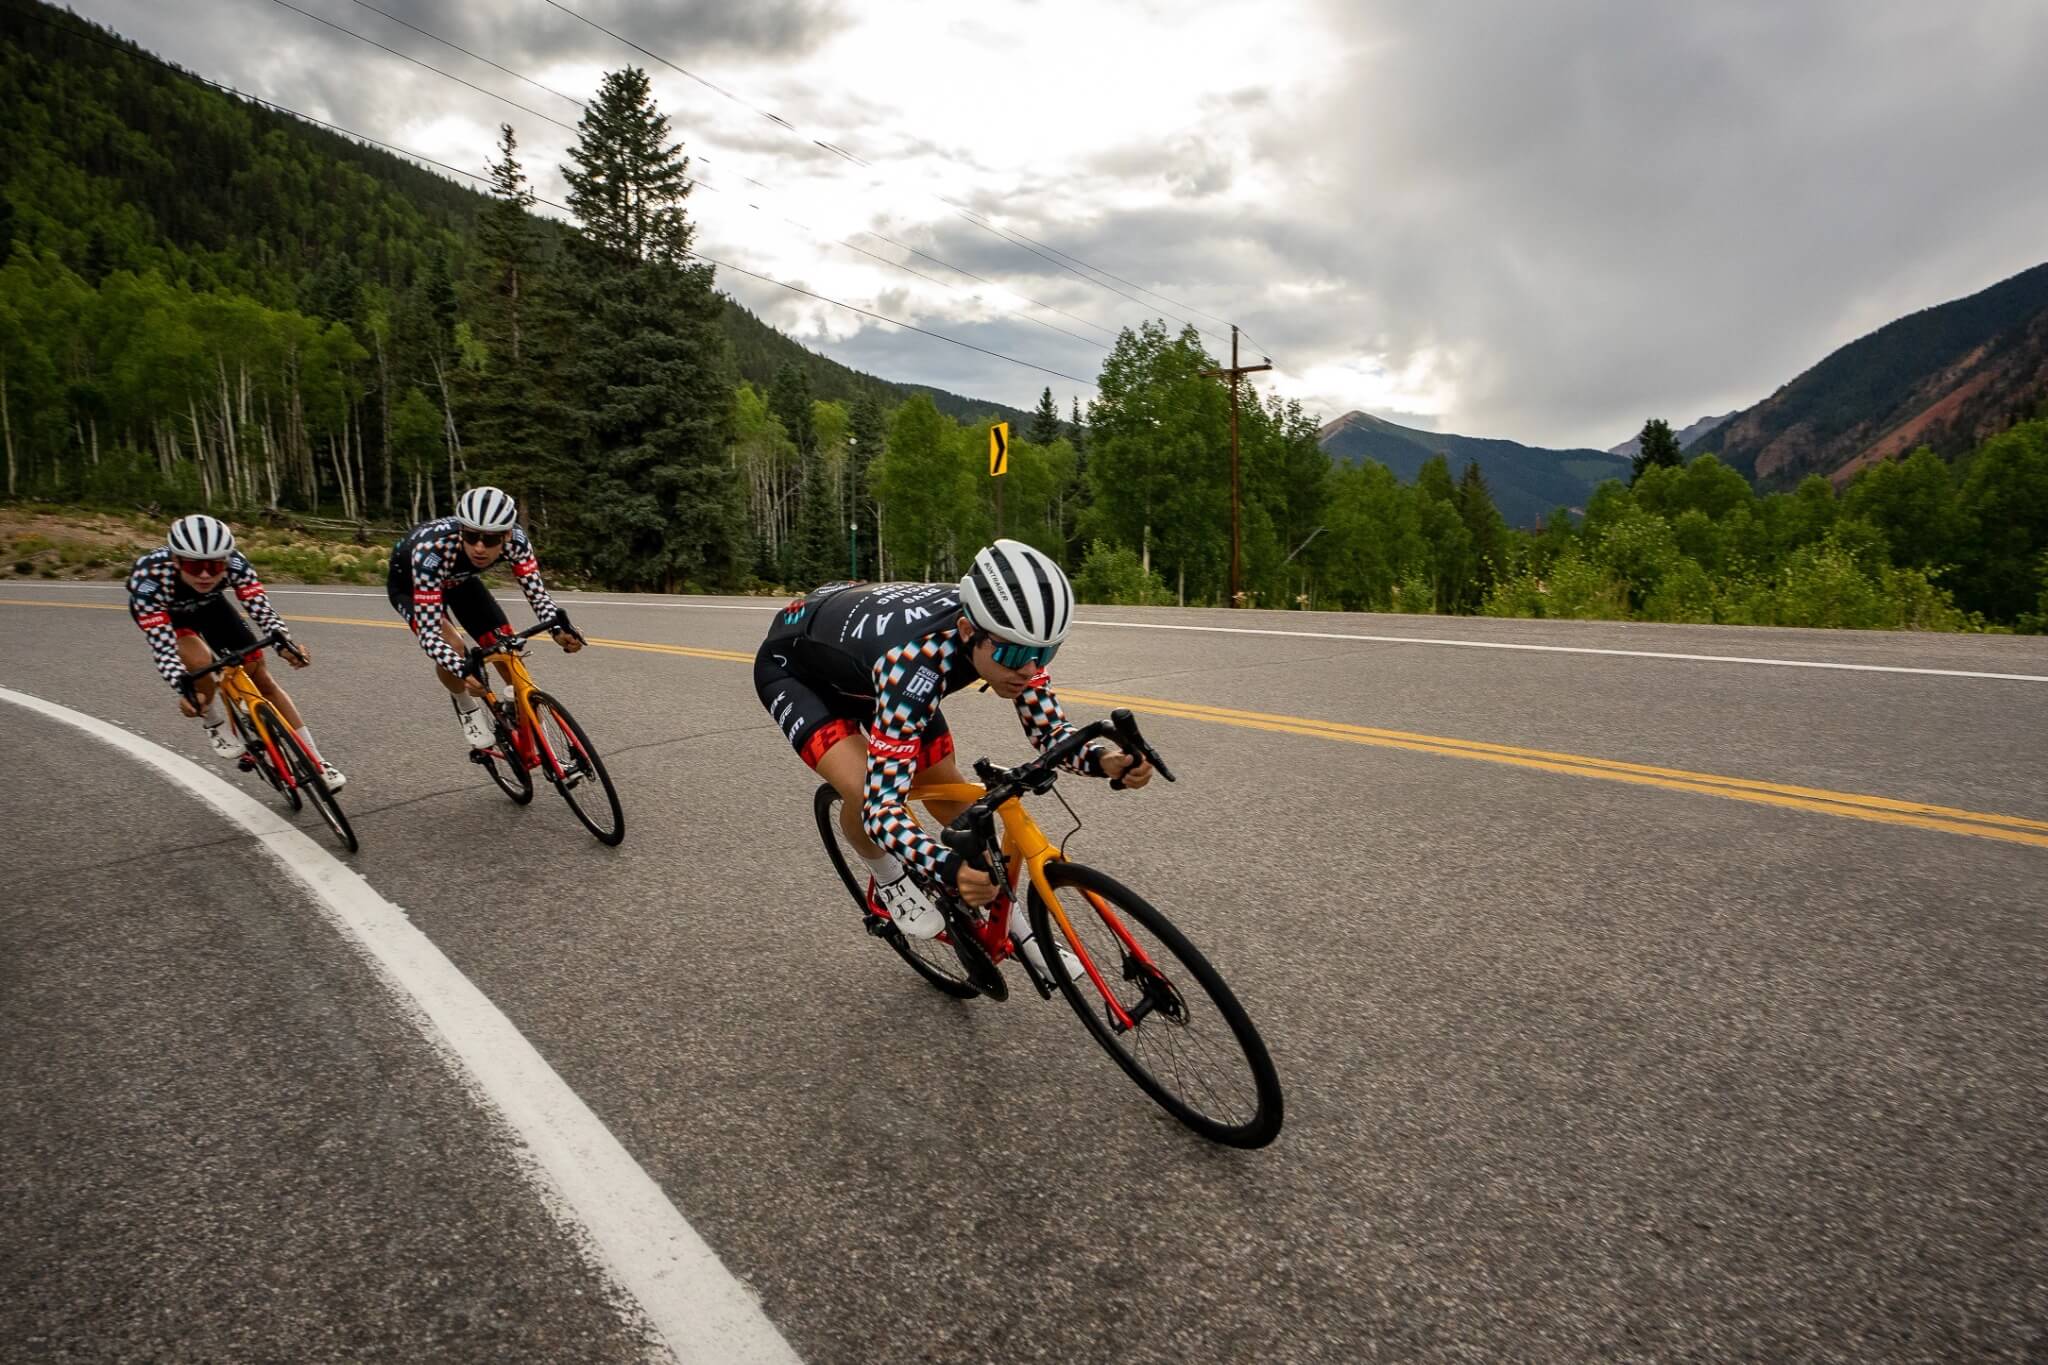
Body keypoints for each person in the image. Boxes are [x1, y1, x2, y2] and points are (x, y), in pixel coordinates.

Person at [755, 538, 1152, 975]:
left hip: (873, 670)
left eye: (1045, 653)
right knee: (866, 790)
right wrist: (945, 866)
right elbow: (883, 809)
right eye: (1018, 654)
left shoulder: (1010, 637)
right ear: (967, 631)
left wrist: (1104, 761)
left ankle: (1021, 931)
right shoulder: (913, 663)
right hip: (799, 674)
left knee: (947, 786)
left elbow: (1049, 732)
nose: (1030, 670)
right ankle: (888, 881)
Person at [127, 514, 345, 789]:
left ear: (226, 560)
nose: (205, 574)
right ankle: (213, 722)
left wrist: (284, 645)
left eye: (214, 565)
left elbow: (262, 611)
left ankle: (316, 762)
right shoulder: (148, 579)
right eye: (195, 566)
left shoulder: (237, 563)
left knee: (262, 678)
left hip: (211, 606)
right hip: (171, 616)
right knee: (200, 663)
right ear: (177, 561)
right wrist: (185, 691)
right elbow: (164, 649)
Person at [386, 486, 580, 749]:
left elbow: (537, 595)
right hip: (413, 585)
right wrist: (462, 669)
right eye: (471, 536)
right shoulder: (432, 550)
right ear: (461, 531)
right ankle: (466, 707)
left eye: (489, 540)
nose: (479, 547)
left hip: (461, 581)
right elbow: (430, 636)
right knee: (453, 646)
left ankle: (540, 737)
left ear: (507, 535)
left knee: (505, 644)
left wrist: (558, 629)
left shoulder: (517, 542)